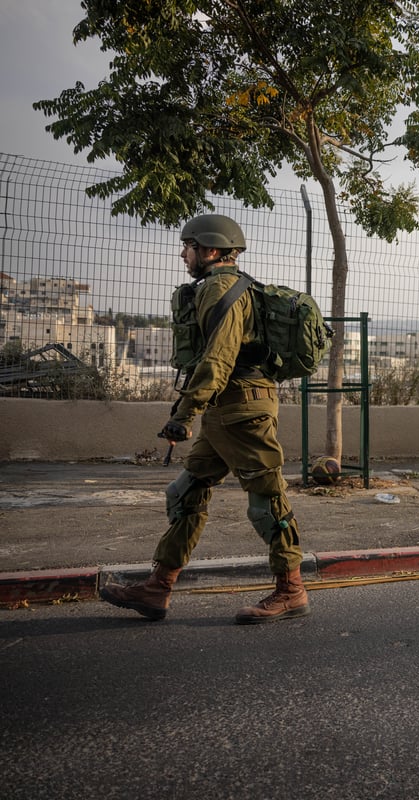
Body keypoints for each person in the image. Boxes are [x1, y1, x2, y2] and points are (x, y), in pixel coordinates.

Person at [99, 214, 310, 624]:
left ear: (210, 250)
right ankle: (157, 588)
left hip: (242, 412)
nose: (183, 254)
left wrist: (184, 414)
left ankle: (292, 590)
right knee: (187, 493)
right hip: (225, 412)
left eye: (188, 246)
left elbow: (219, 357)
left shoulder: (220, 289)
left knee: (268, 500)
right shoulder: (224, 286)